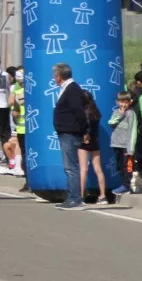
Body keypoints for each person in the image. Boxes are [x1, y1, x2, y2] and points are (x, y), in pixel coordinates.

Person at [52, 62, 90, 210]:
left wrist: (84, 129)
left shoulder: (72, 89)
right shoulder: (67, 89)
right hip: (66, 132)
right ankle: (71, 197)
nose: (54, 78)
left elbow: (79, 111)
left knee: (71, 168)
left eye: (55, 75)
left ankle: (76, 199)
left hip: (70, 132)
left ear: (59, 76)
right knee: (69, 167)